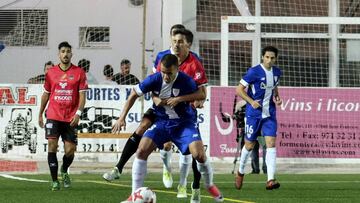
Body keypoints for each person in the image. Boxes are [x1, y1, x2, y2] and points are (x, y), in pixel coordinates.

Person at [102, 27, 207, 202]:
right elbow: (153, 82)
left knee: (194, 151)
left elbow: (202, 92)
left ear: (188, 44)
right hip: (160, 108)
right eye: (174, 40)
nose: (177, 44)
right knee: (143, 129)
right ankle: (120, 169)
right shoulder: (162, 57)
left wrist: (196, 101)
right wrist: (155, 97)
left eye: (180, 41)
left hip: (183, 113)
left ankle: (190, 184)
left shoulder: (195, 62)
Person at [117, 54, 223, 203]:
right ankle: (134, 195)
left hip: (184, 123)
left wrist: (180, 99)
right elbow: (134, 93)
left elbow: (201, 93)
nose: (165, 76)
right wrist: (122, 117)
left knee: (199, 155)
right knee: (141, 150)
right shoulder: (155, 79)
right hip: (162, 123)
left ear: (177, 69)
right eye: (163, 72)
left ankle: (209, 184)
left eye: (169, 73)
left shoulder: (186, 80)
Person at [38, 41, 88, 191]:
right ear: (59, 54)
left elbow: (82, 96)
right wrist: (40, 113)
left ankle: (64, 170)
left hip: (70, 117)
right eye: (63, 51)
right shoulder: (51, 73)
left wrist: (78, 113)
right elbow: (46, 94)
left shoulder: (79, 72)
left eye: (68, 51)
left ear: (71, 54)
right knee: (52, 146)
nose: (65, 54)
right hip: (53, 115)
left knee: (70, 150)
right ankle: (54, 181)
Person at [235, 45, 282, 190]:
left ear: (276, 59)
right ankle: (240, 171)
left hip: (269, 113)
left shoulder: (277, 72)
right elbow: (239, 89)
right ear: (263, 57)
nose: (269, 60)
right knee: (249, 145)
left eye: (272, 58)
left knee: (271, 143)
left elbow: (274, 87)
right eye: (267, 57)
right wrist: (251, 101)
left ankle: (270, 179)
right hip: (253, 115)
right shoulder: (254, 71)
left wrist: (277, 97)